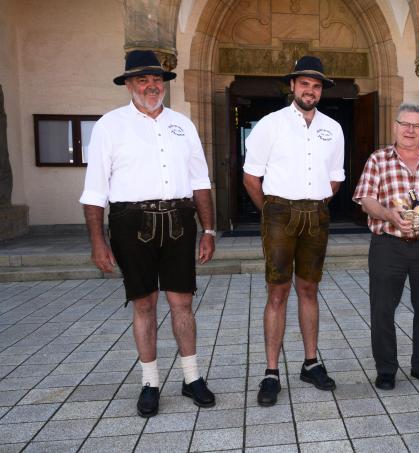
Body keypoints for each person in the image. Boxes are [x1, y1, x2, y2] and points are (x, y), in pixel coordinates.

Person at [80, 50, 216, 418]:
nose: (151, 85)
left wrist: (209, 229)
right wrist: (97, 240)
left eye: (156, 79)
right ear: (128, 84)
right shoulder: (109, 125)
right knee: (143, 304)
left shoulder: (182, 124)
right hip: (131, 223)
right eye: (142, 79)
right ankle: (150, 383)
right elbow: (95, 191)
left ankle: (192, 379)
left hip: (178, 220)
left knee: (182, 303)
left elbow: (201, 181)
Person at [242, 56, 345, 407]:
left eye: (316, 86)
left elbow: (335, 178)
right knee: (277, 292)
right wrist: (272, 211)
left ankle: (310, 362)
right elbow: (251, 178)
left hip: (316, 212)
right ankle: (271, 372)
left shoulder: (333, 128)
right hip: (279, 211)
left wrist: (315, 202)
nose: (310, 90)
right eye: (304, 84)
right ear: (292, 86)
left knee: (309, 289)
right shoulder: (269, 125)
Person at [353, 103, 419, 390]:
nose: (411, 130)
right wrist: (389, 214)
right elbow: (366, 199)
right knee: (383, 309)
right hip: (389, 244)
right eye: (405, 124)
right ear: (395, 127)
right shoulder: (378, 160)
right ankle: (386, 369)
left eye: (417, 125)